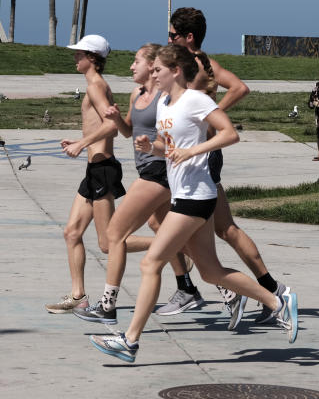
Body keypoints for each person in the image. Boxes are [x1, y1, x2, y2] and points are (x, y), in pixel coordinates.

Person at [88, 45, 297, 363]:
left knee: (150, 264)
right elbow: (170, 147)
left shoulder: (196, 100)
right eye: (153, 69)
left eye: (158, 69)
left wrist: (195, 151)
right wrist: (152, 147)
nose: (153, 74)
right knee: (211, 273)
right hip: (182, 194)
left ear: (175, 71)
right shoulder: (165, 104)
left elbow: (229, 134)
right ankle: (278, 302)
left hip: (196, 197)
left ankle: (129, 341)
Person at [160, 7, 290, 328]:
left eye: (173, 34)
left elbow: (240, 87)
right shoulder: (202, 65)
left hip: (201, 155)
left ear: (188, 37)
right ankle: (270, 290)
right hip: (197, 155)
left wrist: (211, 112)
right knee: (224, 228)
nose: (168, 38)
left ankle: (219, 289)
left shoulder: (200, 67)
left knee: (189, 225)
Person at [73, 44, 204, 324]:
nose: (132, 67)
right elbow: (128, 130)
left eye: (137, 62)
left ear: (152, 66)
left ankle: (107, 306)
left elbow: (180, 133)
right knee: (162, 230)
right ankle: (199, 288)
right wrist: (116, 118)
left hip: (159, 171)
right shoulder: (137, 94)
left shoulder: (167, 97)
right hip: (147, 167)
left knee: (114, 235)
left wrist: (159, 147)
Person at [45, 34, 124, 314]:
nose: (75, 57)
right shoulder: (93, 85)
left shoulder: (96, 87)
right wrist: (80, 140)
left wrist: (82, 143)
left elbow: (112, 126)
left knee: (106, 244)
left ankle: (174, 246)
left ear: (92, 58)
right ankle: (78, 296)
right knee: (71, 233)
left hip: (103, 170)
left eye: (79, 53)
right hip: (94, 169)